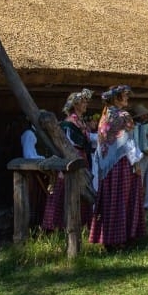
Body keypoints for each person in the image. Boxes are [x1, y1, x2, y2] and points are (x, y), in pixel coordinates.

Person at [89, 85, 146, 247]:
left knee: (110, 198)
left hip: (107, 166)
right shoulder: (123, 116)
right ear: (116, 98)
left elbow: (102, 144)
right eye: (124, 95)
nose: (127, 98)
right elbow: (129, 141)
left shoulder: (104, 116)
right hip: (122, 163)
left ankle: (108, 237)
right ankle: (123, 236)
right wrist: (136, 162)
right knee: (123, 197)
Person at [42, 88, 96, 232]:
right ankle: (57, 225)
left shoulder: (80, 121)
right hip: (72, 159)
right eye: (83, 102)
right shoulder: (69, 123)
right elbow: (72, 143)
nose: (86, 104)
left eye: (86, 102)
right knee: (66, 187)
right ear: (76, 104)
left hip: (83, 158)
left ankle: (83, 224)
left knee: (83, 189)